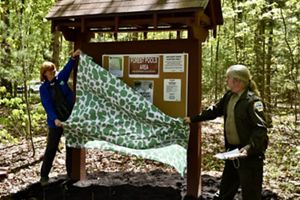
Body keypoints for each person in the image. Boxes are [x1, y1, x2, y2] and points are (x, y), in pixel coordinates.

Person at [184, 64, 269, 200]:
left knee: (251, 194)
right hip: (232, 153)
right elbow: (214, 111)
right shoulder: (229, 96)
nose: (226, 81)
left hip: (249, 156)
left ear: (237, 81)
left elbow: (260, 129)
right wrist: (192, 119)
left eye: (228, 78)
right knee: (225, 191)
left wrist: (249, 148)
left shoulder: (252, 101)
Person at [39, 49, 81, 185]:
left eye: (53, 69)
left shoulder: (61, 79)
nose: (52, 72)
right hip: (55, 122)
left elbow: (68, 68)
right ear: (44, 74)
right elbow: (47, 105)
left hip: (69, 117)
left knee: (70, 146)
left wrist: (73, 57)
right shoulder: (43, 88)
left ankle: (70, 174)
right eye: (49, 70)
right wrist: (55, 119)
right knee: (51, 148)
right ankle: (44, 176)